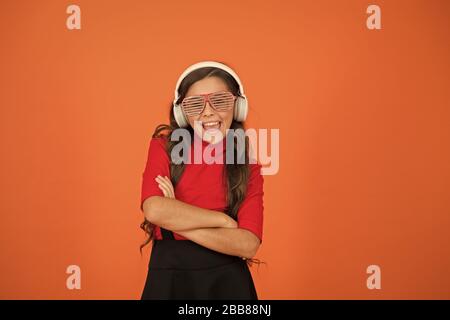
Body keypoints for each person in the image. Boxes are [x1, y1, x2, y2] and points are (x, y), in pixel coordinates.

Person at [139, 61, 264, 299]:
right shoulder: (163, 147)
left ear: (237, 107)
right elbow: (154, 209)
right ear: (182, 113)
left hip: (228, 284)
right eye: (195, 104)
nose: (208, 112)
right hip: (169, 280)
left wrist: (174, 217)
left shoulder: (248, 166)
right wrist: (224, 222)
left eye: (220, 101)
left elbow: (248, 244)